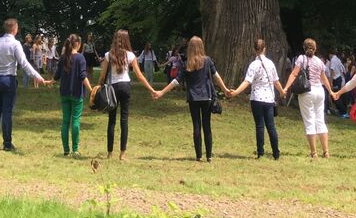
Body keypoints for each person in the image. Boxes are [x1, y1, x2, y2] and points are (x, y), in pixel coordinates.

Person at [0, 18, 50, 151]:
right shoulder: (15, 44)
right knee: (7, 112)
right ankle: (7, 144)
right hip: (9, 80)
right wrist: (38, 77)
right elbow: (24, 63)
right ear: (15, 29)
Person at [154, 35, 228, 163]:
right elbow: (216, 76)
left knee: (196, 126)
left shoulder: (187, 63)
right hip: (206, 97)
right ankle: (209, 156)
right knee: (207, 126)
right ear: (201, 47)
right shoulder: (208, 60)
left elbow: (176, 81)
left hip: (193, 98)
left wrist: (162, 92)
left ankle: (198, 156)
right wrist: (225, 90)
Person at [97, 28, 158, 160]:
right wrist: (151, 89)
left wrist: (97, 88)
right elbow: (140, 75)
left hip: (112, 88)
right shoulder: (130, 56)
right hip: (125, 86)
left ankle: (109, 153)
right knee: (124, 120)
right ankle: (122, 154)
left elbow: (102, 76)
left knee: (111, 121)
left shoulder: (108, 55)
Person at [227, 38, 285, 160]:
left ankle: (260, 152)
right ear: (265, 49)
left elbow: (247, 81)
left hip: (257, 98)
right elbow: (276, 81)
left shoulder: (253, 65)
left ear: (254, 50)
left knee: (259, 126)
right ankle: (276, 153)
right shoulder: (270, 63)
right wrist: (282, 92)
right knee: (271, 126)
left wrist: (236, 92)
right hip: (269, 99)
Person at [282, 38, 337, 159]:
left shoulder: (301, 59)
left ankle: (314, 152)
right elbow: (324, 78)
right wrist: (331, 91)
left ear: (304, 47)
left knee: (309, 122)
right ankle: (326, 152)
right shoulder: (319, 61)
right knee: (320, 121)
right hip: (319, 92)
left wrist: (286, 88)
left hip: (307, 92)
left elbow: (294, 74)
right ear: (315, 49)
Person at [54, 34, 95, 158]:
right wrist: (92, 91)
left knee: (65, 121)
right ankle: (75, 150)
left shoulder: (63, 57)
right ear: (77, 44)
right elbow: (83, 76)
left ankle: (66, 151)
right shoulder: (80, 58)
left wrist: (50, 81)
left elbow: (56, 76)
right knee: (75, 121)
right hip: (77, 94)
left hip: (64, 94)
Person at [326, 49, 346, 116]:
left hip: (336, 79)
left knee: (336, 96)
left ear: (330, 54)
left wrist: (331, 82)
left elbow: (332, 71)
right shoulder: (338, 59)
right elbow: (342, 70)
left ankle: (343, 112)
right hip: (339, 78)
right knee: (338, 95)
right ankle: (341, 111)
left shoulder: (333, 60)